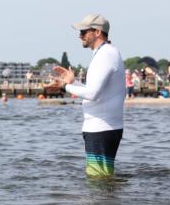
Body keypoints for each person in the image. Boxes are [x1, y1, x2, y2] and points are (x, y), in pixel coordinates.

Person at [52, 14, 125, 177]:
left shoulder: (105, 55)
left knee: (98, 180)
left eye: (84, 32)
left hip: (101, 128)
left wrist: (66, 86)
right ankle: (110, 202)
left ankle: (104, 203)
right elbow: (97, 91)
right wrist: (74, 82)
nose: (80, 36)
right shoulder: (107, 53)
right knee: (103, 179)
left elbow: (92, 93)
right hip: (104, 127)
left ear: (98, 32)